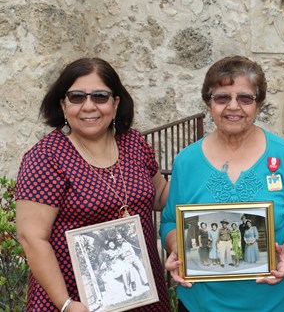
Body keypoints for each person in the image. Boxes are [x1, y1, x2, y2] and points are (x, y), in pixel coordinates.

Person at [161, 55, 284, 312]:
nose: (233, 106)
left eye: (245, 98)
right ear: (208, 103)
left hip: (281, 303)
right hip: (204, 304)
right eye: (222, 97)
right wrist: (179, 249)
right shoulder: (186, 162)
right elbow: (170, 221)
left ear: (258, 105)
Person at [15, 57, 169, 312]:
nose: (88, 106)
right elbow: (31, 237)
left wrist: (208, 177)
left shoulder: (133, 143)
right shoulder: (46, 157)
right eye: (76, 97)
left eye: (100, 96)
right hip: (77, 301)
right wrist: (65, 304)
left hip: (140, 294)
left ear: (116, 103)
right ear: (63, 104)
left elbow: (161, 195)